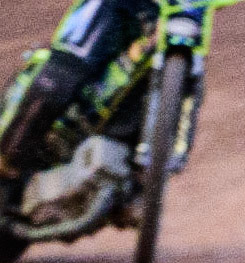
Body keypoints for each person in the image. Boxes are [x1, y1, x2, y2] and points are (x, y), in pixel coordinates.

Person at [0, 0, 158, 187]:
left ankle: (132, 181)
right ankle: (9, 156)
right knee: (63, 74)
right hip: (114, 11)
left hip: (163, 25)